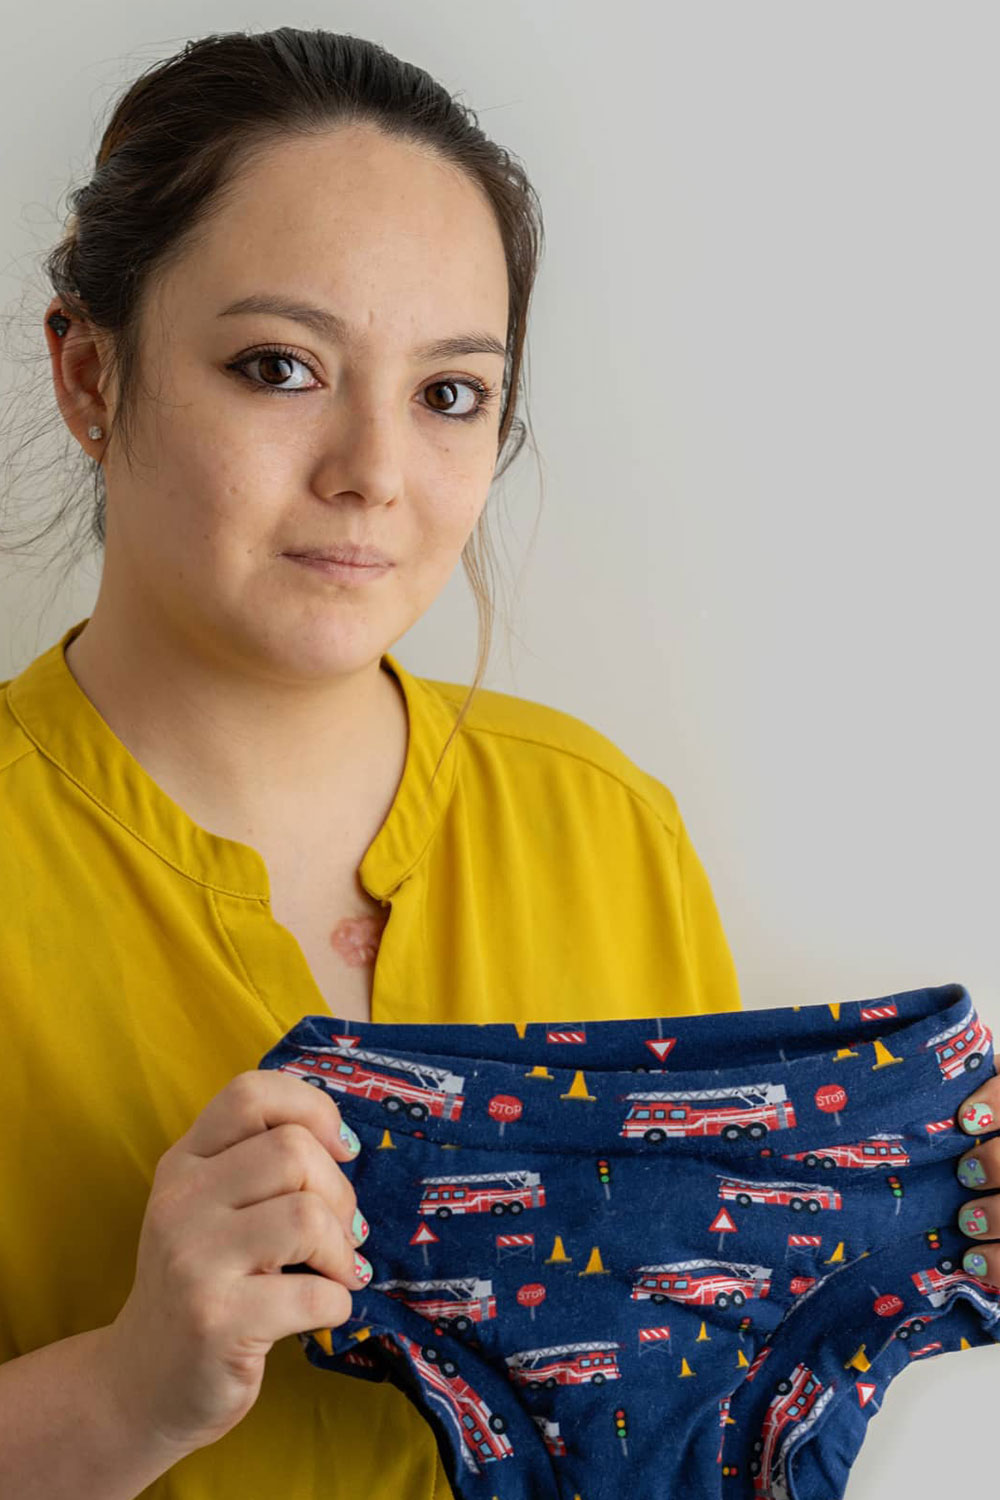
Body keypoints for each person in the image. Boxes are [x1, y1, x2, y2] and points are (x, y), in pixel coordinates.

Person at [2, 25, 994, 1500]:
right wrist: (127, 1389)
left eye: (449, 393)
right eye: (280, 366)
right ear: (90, 374)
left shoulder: (603, 823)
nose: (372, 471)